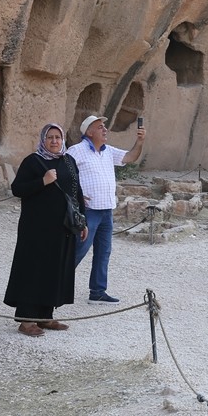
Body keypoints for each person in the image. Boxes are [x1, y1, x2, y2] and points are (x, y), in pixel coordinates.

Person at [5, 123, 88, 337]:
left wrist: (83, 221)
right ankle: (26, 320)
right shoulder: (33, 162)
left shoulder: (68, 161)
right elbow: (17, 189)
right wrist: (43, 181)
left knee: (54, 270)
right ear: (43, 140)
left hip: (63, 228)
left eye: (57, 137)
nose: (54, 141)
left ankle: (46, 316)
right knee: (34, 270)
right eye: (50, 137)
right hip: (36, 229)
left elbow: (76, 191)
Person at [68, 114, 145, 304]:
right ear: (89, 131)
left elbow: (130, 156)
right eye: (100, 126)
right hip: (88, 211)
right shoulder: (75, 151)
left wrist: (140, 141)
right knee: (79, 249)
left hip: (106, 210)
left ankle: (98, 291)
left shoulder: (107, 151)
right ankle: (56, 282)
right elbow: (65, 174)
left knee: (104, 252)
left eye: (104, 126)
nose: (105, 129)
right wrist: (74, 195)